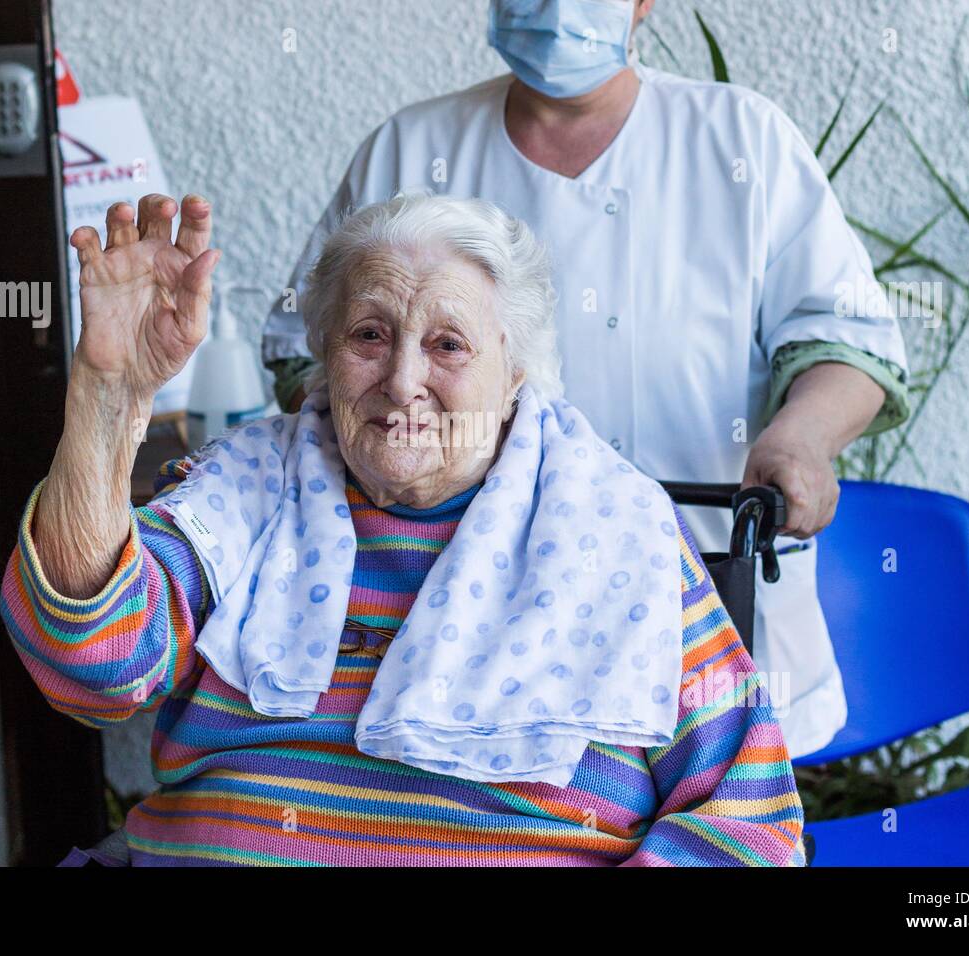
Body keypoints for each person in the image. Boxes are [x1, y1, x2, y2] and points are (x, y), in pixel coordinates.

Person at [0, 190, 807, 866]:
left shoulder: (615, 524)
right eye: (369, 335)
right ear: (322, 350)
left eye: (447, 344)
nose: (403, 380)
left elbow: (748, 817)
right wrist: (111, 393)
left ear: (515, 370)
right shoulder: (243, 490)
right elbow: (92, 666)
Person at [261, 0, 910, 760]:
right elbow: (309, 351)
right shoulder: (412, 147)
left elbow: (846, 338)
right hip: (455, 613)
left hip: (704, 591)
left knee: (718, 807)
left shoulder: (742, 140)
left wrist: (801, 438)